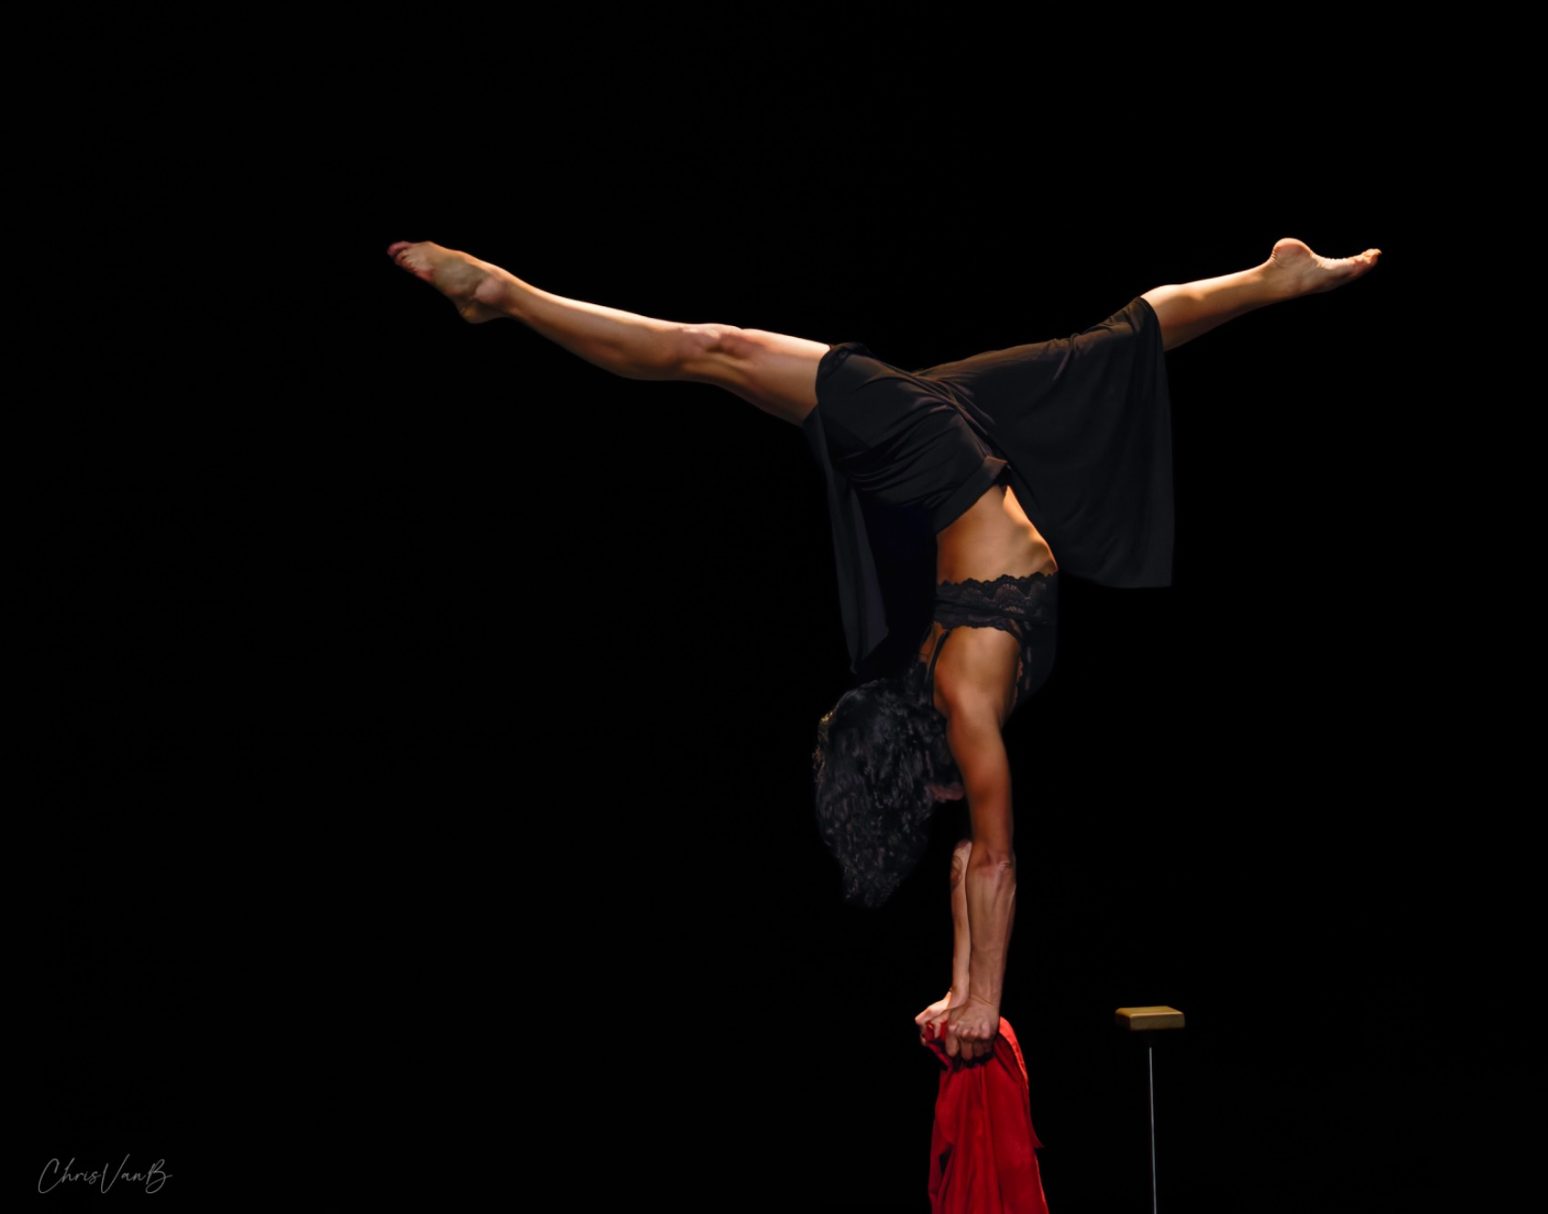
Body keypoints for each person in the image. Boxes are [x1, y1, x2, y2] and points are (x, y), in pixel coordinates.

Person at [386, 236, 1379, 1062]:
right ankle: (1271, 280)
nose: (944, 803)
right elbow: (973, 858)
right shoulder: (951, 692)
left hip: (933, 451)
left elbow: (993, 858)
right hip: (964, 445)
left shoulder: (963, 694)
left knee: (713, 349)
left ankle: (504, 295)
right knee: (1105, 353)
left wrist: (983, 999)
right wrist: (963, 993)